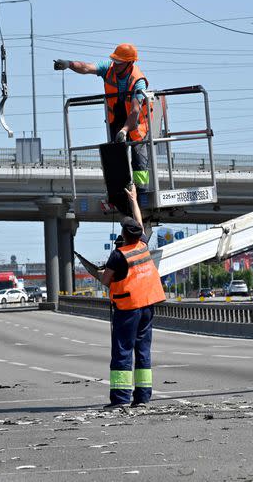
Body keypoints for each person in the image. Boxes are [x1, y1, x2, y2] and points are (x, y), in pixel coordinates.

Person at [97, 184, 165, 410]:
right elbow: (138, 220)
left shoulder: (119, 254)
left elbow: (106, 280)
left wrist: (101, 271)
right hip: (147, 306)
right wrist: (134, 199)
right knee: (143, 351)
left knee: (122, 352)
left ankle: (120, 398)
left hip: (128, 308)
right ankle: (143, 397)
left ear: (125, 235)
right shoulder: (143, 245)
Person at [54, 43, 151, 192]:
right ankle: (121, 192)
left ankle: (142, 192)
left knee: (139, 161)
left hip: (136, 124)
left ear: (129, 63)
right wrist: (69, 64)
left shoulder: (138, 81)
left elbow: (134, 111)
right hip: (116, 119)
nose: (116, 65)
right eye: (115, 61)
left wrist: (124, 131)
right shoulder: (109, 68)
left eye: (119, 63)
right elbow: (86, 67)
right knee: (116, 157)